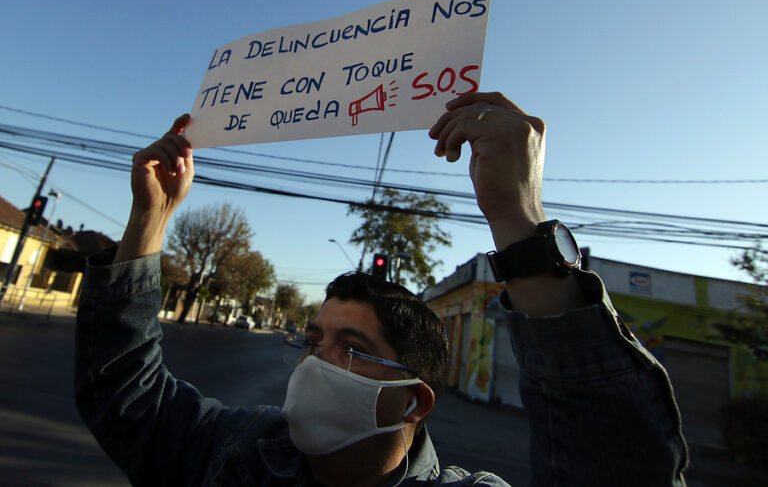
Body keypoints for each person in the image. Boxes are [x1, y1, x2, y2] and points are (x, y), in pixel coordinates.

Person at [75, 92, 689, 486]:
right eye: (314, 341)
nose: (316, 362)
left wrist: (518, 221)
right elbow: (122, 391)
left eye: (351, 346)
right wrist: (150, 217)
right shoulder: (234, 451)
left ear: (413, 401)